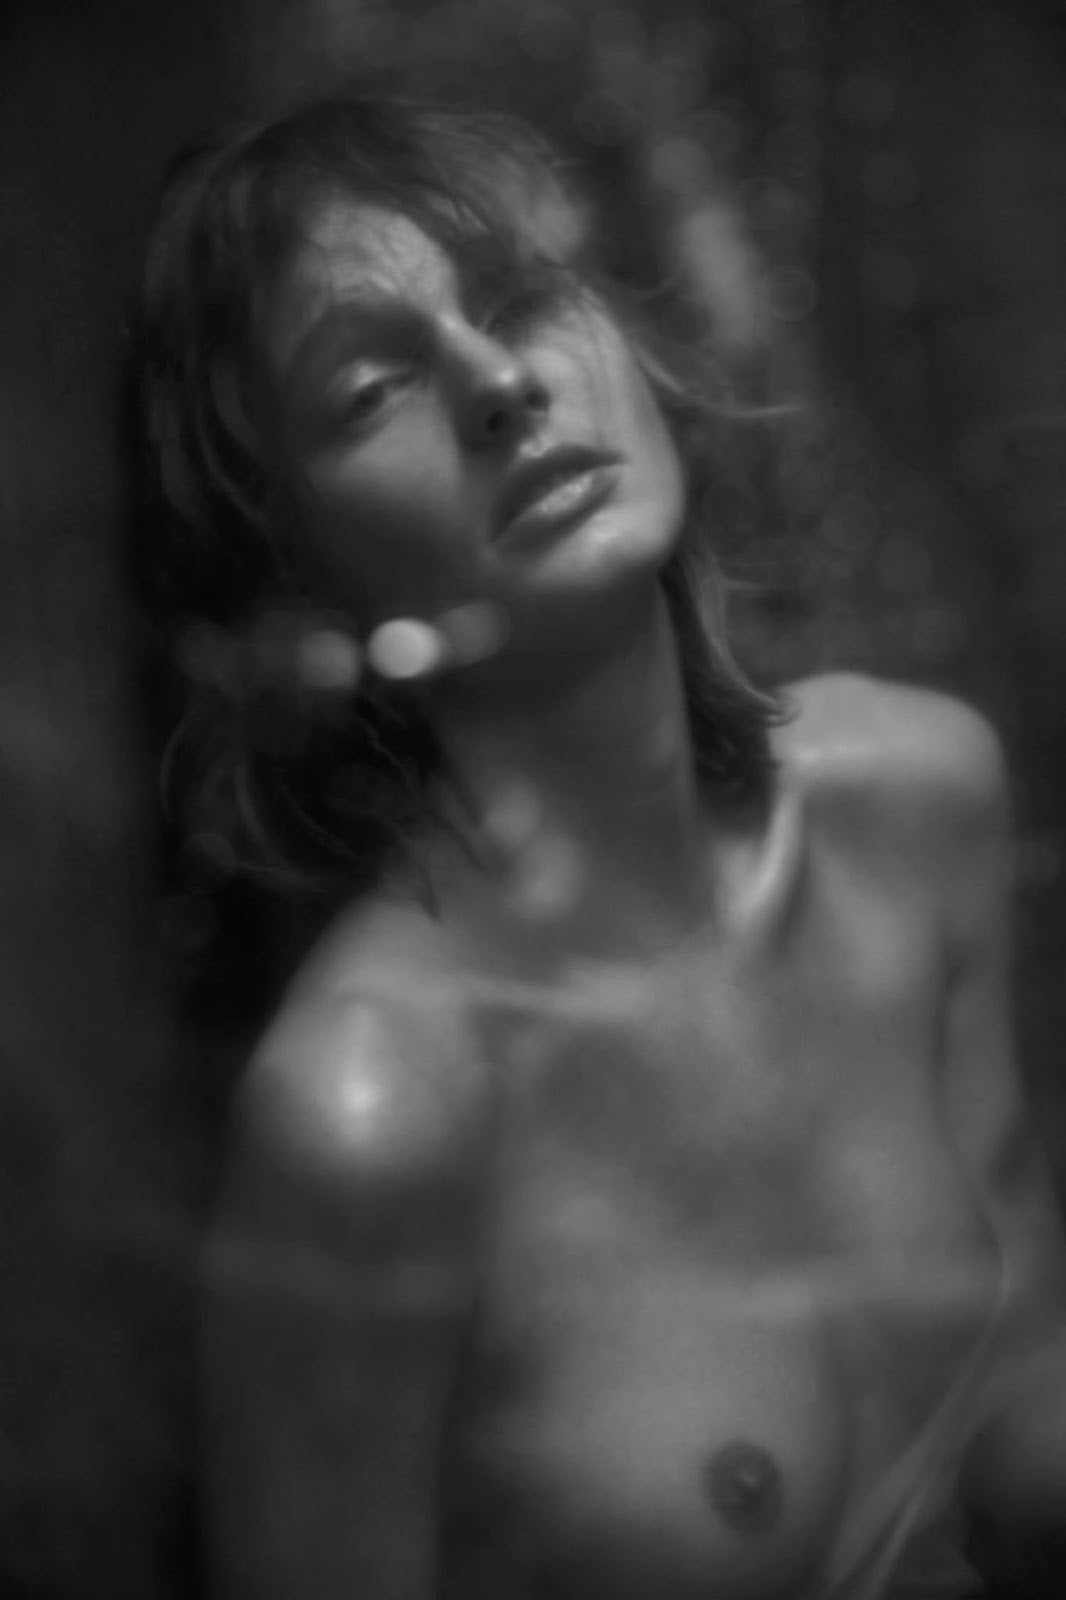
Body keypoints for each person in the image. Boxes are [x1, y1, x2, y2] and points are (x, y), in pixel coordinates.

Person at [132, 89, 1066, 1599]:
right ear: (293, 572)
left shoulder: (916, 799)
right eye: (372, 388)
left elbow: (1025, 1419)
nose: (500, 381)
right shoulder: (369, 1114)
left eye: (519, 296)